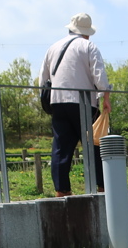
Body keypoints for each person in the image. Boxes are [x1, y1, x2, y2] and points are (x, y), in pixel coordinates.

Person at [40, 13, 111, 197]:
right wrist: (106, 98)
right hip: (84, 103)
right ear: (87, 32)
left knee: (61, 147)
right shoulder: (89, 46)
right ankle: (102, 187)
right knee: (94, 143)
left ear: (70, 28)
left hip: (58, 102)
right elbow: (100, 76)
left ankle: (62, 190)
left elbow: (43, 79)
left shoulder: (53, 48)